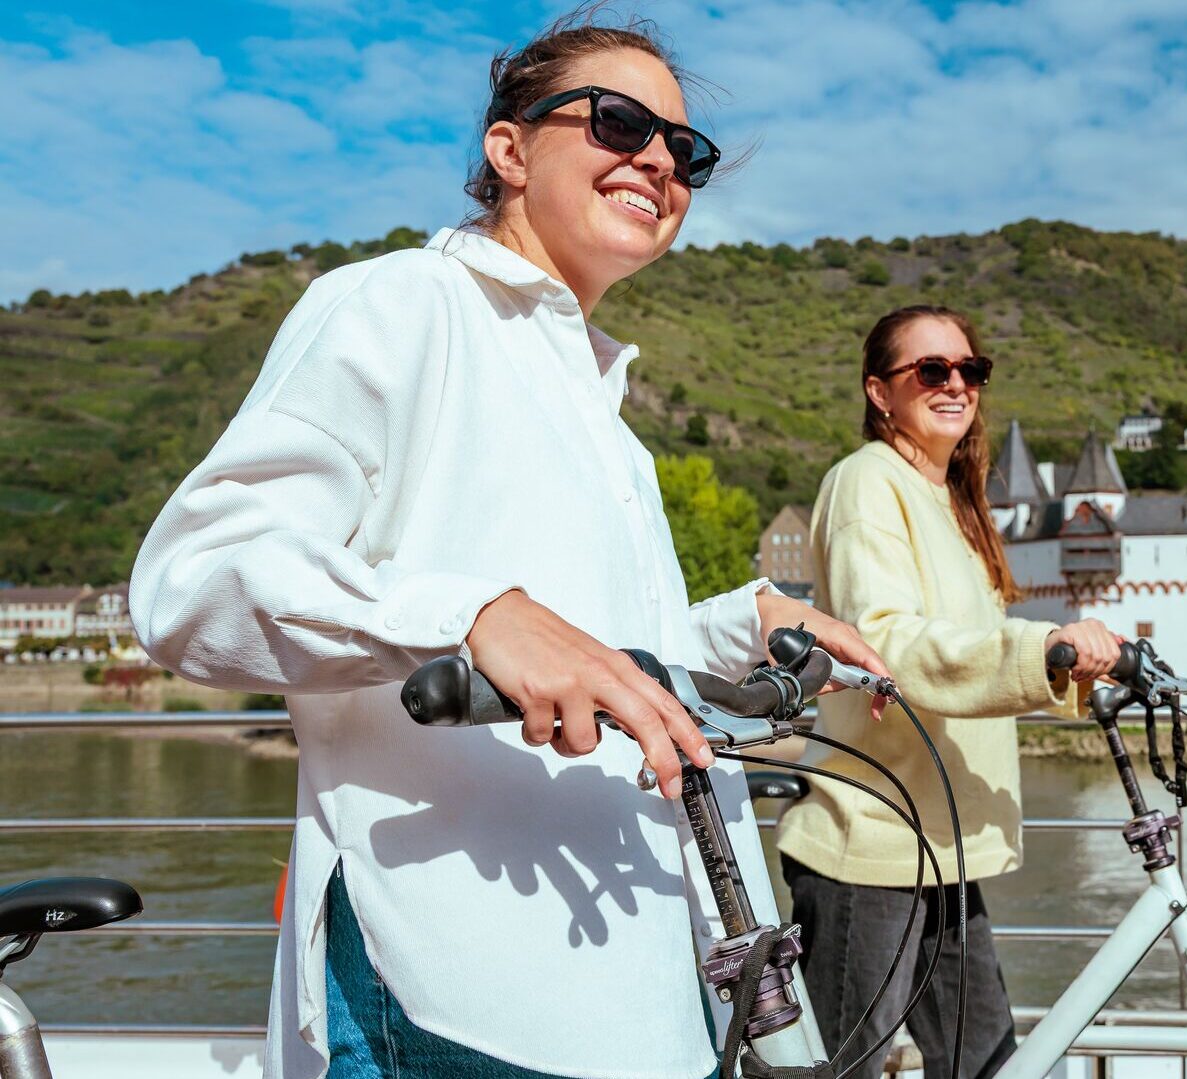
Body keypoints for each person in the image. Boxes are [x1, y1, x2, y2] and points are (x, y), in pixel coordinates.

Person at [129, 13, 886, 1079]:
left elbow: (600, 645)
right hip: (457, 999)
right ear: (509, 149)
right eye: (621, 122)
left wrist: (744, 617)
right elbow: (192, 581)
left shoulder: (605, 417)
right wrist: (471, 615)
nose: (660, 159)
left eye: (688, 149)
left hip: (645, 992)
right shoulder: (402, 304)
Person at [774, 305, 1122, 1079]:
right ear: (880, 392)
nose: (956, 382)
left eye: (971, 369)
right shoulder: (868, 482)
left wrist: (1064, 663)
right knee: (849, 1070)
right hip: (874, 844)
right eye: (931, 370)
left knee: (991, 1062)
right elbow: (886, 640)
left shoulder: (956, 504)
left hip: (940, 843)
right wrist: (1045, 644)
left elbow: (963, 649)